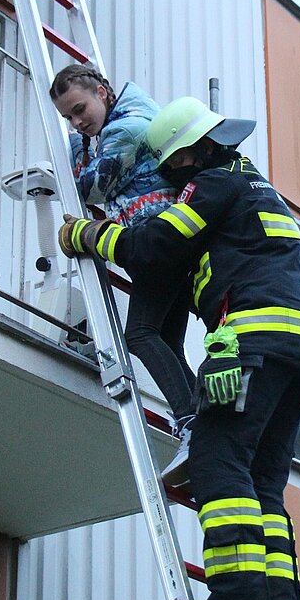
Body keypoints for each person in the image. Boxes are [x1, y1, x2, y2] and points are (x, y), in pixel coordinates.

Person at [58, 96, 300, 600]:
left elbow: (153, 247)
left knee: (217, 463)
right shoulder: (256, 186)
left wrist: (89, 235)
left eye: (173, 165)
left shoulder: (212, 185)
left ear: (190, 154)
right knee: (262, 484)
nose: (171, 176)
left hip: (253, 342)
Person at [49, 64, 198, 470]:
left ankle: (192, 423)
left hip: (157, 241)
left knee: (140, 334)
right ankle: (205, 423)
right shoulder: (123, 120)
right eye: (68, 118)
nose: (77, 123)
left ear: (102, 92)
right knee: (167, 343)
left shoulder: (127, 128)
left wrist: (72, 148)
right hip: (165, 240)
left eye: (79, 110)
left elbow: (92, 186)